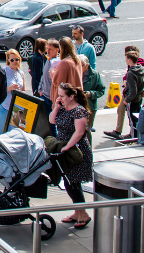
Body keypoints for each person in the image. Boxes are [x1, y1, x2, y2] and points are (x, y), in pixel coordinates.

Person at [49, 82, 93, 229]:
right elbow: (52, 120)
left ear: (72, 96)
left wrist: (68, 146)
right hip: (65, 150)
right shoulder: (63, 108)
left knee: (72, 183)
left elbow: (79, 132)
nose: (59, 98)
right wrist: (56, 107)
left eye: (62, 96)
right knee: (71, 182)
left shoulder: (79, 111)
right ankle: (77, 212)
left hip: (76, 152)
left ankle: (83, 215)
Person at [105, 46, 144, 140]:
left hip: (131, 99)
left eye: (126, 58)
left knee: (132, 119)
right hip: (138, 98)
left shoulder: (131, 73)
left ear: (130, 59)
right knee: (135, 116)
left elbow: (133, 91)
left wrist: (127, 100)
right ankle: (133, 134)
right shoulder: (141, 69)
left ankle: (134, 136)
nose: (125, 60)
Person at [0, 50, 26, 134]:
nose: (15, 62)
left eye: (17, 59)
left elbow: (24, 90)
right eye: (12, 60)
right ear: (8, 60)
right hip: (5, 106)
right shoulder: (3, 71)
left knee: (15, 133)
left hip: (18, 108)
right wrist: (9, 88)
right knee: (1, 132)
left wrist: (21, 92)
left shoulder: (21, 73)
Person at [50, 38, 84, 104]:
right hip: (75, 99)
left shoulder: (65, 62)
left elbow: (59, 82)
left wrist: (53, 73)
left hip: (65, 101)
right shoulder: (77, 60)